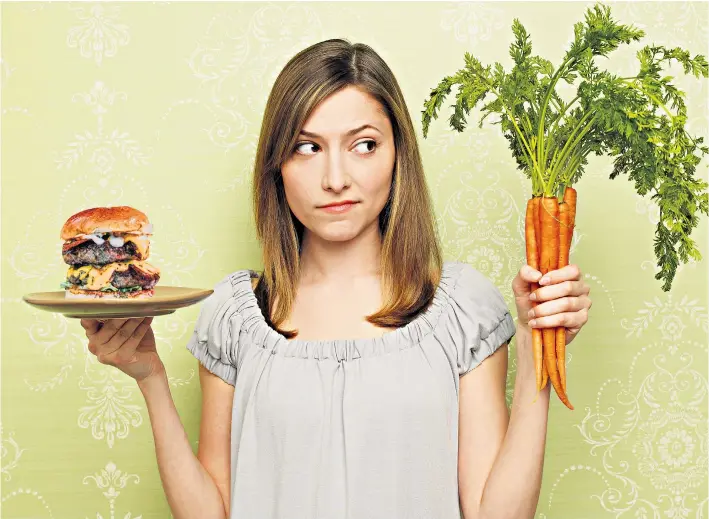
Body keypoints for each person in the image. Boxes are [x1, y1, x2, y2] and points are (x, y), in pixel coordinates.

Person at [81, 39, 592, 519]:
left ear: (398, 155)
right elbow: (212, 510)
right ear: (276, 164)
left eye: (364, 145)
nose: (336, 178)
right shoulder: (233, 315)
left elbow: (496, 512)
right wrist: (150, 377)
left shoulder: (460, 309)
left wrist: (534, 345)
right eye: (308, 147)